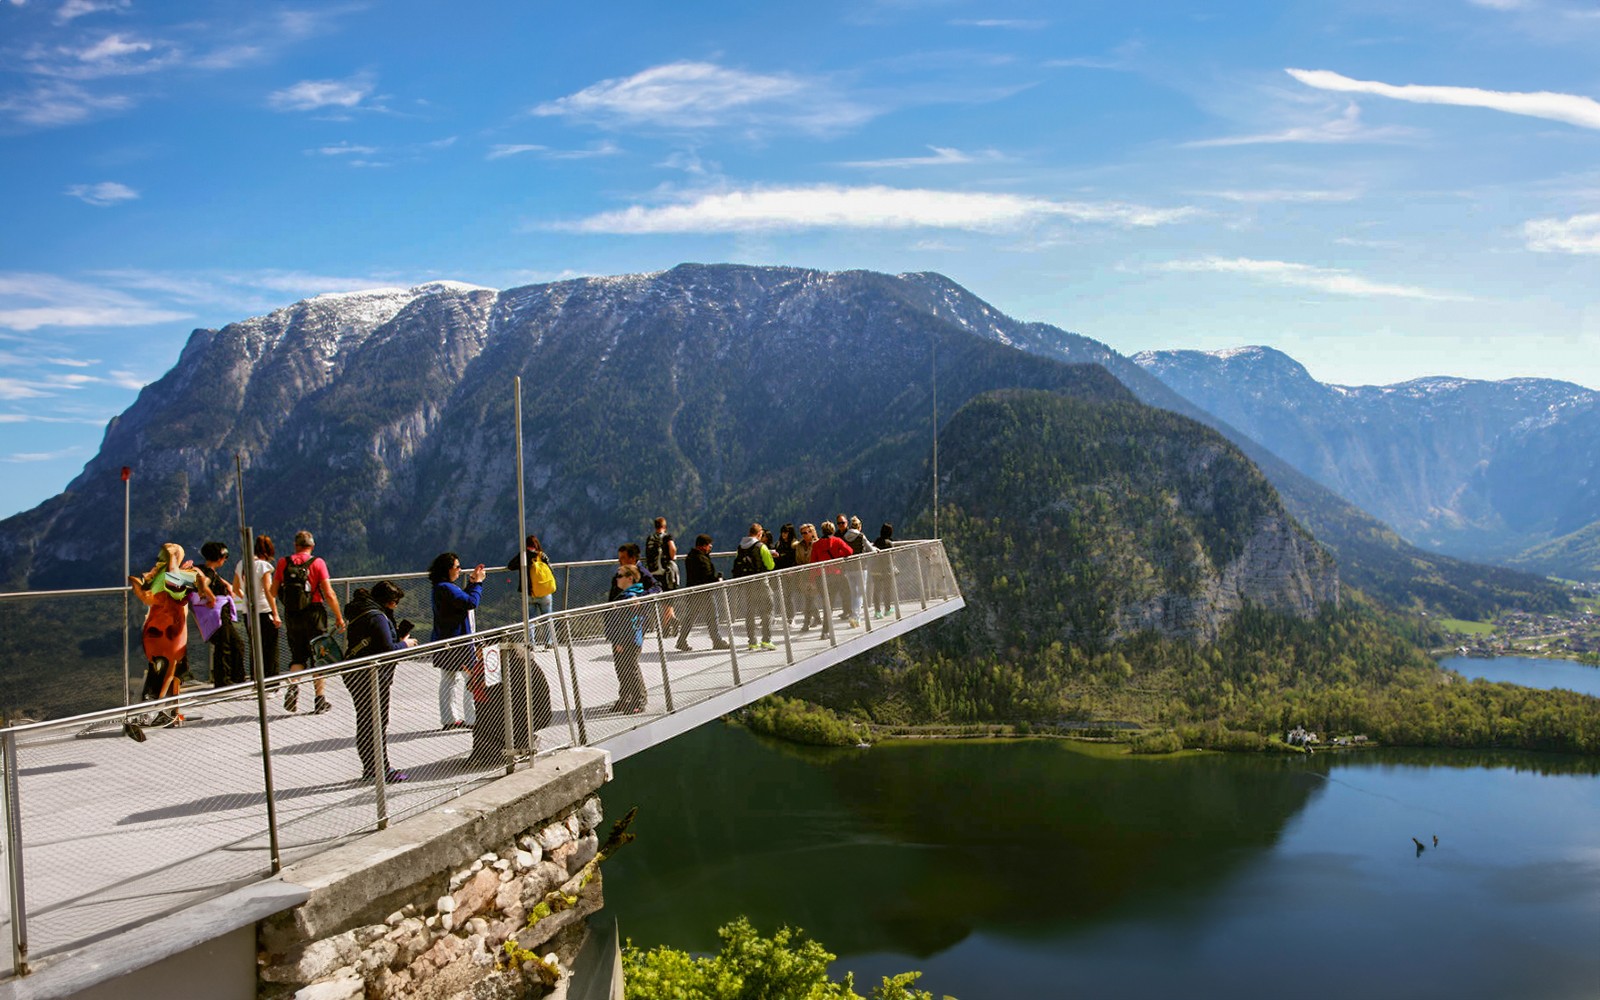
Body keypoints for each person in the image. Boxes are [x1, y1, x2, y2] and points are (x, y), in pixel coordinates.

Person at [127, 543, 213, 729]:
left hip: (153, 631)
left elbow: (145, 594)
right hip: (172, 633)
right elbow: (194, 588)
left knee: (173, 672)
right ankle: (152, 712)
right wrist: (194, 573)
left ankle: (171, 712)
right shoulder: (181, 577)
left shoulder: (156, 578)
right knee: (168, 671)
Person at [341, 580, 417, 783]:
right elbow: (387, 651)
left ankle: (371, 768)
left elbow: (376, 642)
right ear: (388, 601)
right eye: (395, 602)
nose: (396, 606)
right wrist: (404, 644)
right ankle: (381, 769)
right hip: (371, 677)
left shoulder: (363, 610)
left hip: (356, 674)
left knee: (366, 720)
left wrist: (396, 636)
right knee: (376, 723)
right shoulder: (377, 617)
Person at [275, 530, 345, 714]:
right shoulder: (318, 563)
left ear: (295, 545)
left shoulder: (284, 562)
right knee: (318, 656)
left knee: (297, 656)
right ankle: (319, 699)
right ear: (312, 546)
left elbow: (273, 590)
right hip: (314, 614)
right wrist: (338, 617)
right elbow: (329, 593)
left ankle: (292, 687)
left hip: (292, 615)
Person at [430, 551, 484, 730]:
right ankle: (473, 718)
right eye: (457, 567)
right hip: (458, 641)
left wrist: (471, 583)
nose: (460, 570)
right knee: (471, 677)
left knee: (448, 679)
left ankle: (449, 718)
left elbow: (461, 601)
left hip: (446, 639)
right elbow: (470, 603)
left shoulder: (441, 587)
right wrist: (478, 584)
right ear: (448, 569)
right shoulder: (447, 588)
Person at [197, 541, 247, 686]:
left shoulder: (206, 570)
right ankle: (225, 680)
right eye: (225, 557)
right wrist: (211, 597)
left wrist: (225, 584)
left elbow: (209, 577)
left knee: (232, 644)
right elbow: (204, 583)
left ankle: (231, 678)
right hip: (218, 615)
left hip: (216, 615)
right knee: (226, 645)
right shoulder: (208, 574)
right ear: (219, 558)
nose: (225, 560)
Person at [234, 533, 281, 677]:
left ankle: (257, 680)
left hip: (248, 612)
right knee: (270, 649)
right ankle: (271, 682)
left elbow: (235, 588)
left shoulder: (242, 564)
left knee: (255, 648)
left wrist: (247, 600)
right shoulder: (264, 566)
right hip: (264, 610)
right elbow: (268, 590)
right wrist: (275, 613)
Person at [606, 564, 649, 713]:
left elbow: (624, 623)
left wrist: (619, 641)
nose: (616, 579)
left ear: (629, 578)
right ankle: (626, 698)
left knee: (629, 669)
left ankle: (639, 700)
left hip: (627, 641)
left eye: (619, 576)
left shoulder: (629, 597)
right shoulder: (632, 594)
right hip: (629, 639)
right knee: (623, 669)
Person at [675, 534, 728, 651]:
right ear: (703, 546)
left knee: (690, 617)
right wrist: (717, 578)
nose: (710, 547)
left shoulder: (691, 556)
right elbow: (707, 576)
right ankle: (717, 641)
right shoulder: (702, 559)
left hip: (693, 591)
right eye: (709, 545)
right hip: (705, 592)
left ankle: (681, 640)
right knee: (713, 616)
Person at [506, 534, 557, 647]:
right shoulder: (541, 555)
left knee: (530, 620)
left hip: (529, 593)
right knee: (547, 618)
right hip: (545, 593)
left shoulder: (523, 556)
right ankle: (548, 642)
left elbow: (510, 566)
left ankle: (531, 643)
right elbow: (550, 569)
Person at [732, 522, 776, 651]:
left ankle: (752, 642)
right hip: (761, 582)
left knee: (750, 613)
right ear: (759, 533)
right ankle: (766, 641)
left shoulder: (740, 547)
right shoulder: (761, 547)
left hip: (747, 583)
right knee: (768, 609)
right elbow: (770, 566)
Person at [810, 521, 856, 631]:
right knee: (839, 597)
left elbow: (813, 563)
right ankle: (828, 628)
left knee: (827, 603)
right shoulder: (837, 541)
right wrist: (838, 556)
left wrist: (812, 580)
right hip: (835, 575)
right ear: (833, 530)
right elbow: (850, 551)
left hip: (821, 577)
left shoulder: (816, 545)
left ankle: (826, 629)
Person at [644, 517, 678, 633]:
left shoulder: (650, 538)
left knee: (664, 599)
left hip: (653, 573)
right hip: (665, 572)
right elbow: (672, 548)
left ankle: (670, 621)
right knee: (667, 599)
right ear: (664, 526)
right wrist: (672, 557)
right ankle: (666, 626)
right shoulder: (667, 537)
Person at [842, 516, 877, 625]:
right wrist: (874, 549)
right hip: (861, 567)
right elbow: (870, 550)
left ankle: (854, 614)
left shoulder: (844, 537)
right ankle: (856, 617)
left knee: (853, 593)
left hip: (848, 568)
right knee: (860, 593)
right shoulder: (861, 536)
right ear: (859, 526)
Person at [794, 523, 820, 631]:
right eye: (802, 533)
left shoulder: (817, 544)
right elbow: (798, 560)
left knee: (809, 599)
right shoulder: (799, 546)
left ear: (812, 532)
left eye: (806, 532)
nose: (804, 535)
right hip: (804, 575)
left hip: (815, 575)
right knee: (809, 599)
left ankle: (806, 623)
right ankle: (817, 618)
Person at [870, 522, 896, 618]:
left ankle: (877, 611)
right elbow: (892, 557)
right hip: (886, 570)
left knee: (876, 591)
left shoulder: (876, 542)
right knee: (887, 590)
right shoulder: (889, 543)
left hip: (875, 570)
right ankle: (887, 609)